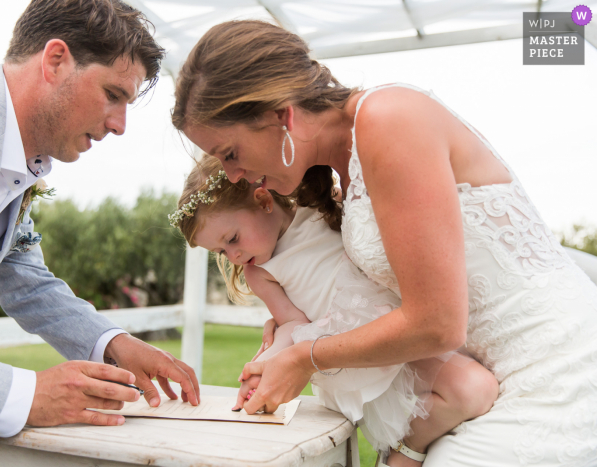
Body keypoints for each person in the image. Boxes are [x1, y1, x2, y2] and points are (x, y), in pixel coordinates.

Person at [171, 20, 597, 467]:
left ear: (282, 117)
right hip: (493, 381)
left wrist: (305, 357)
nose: (232, 175)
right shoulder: (342, 167)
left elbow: (438, 323)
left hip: (557, 375)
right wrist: (292, 326)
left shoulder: (388, 119)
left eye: (230, 154)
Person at [0, 0, 198, 448]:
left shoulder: (15, 159)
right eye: (113, 94)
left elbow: (22, 275)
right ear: (55, 61)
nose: (120, 126)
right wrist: (23, 395)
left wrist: (111, 342)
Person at [171, 157, 498, 466]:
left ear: (263, 201)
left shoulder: (321, 208)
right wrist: (264, 363)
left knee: (475, 389)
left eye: (232, 238)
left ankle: (404, 448)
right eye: (221, 251)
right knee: (473, 390)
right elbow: (292, 324)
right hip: (353, 356)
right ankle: (407, 450)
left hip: (398, 330)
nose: (234, 255)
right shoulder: (261, 273)